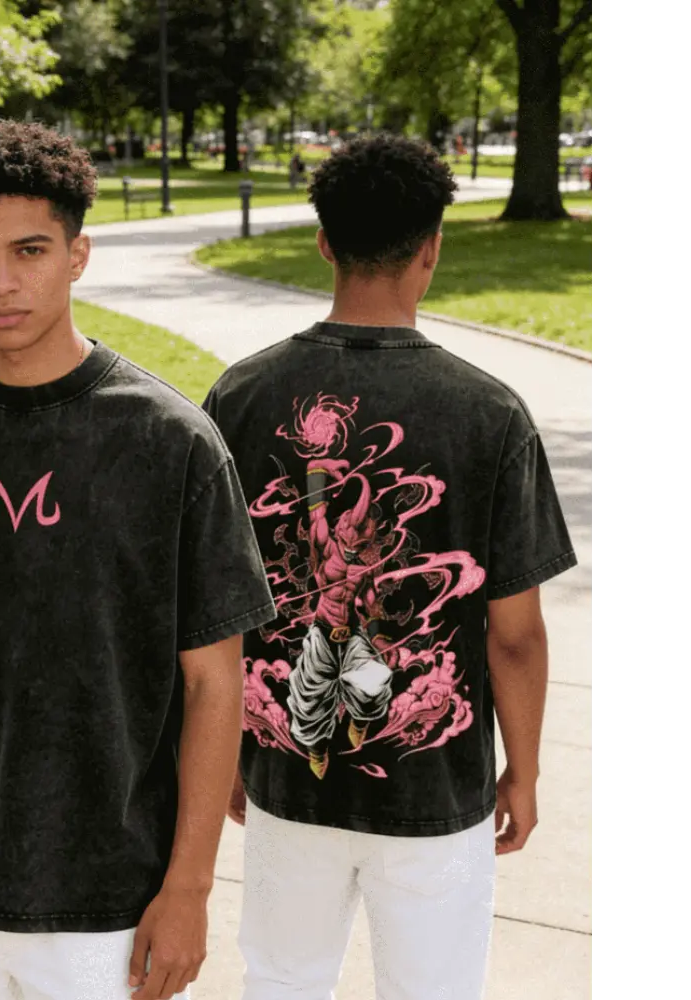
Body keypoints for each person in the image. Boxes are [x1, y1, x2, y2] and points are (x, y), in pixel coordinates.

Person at [0, 119, 277, 1000]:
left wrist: (188, 889)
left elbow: (214, 683)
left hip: (107, 895)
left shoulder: (172, 443)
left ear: (77, 255)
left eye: (29, 250)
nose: (0, 283)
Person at [202, 133, 577, 1000]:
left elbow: (209, 615)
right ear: (432, 249)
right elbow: (515, 637)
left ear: (323, 242)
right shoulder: (491, 414)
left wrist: (226, 751)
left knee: (283, 980)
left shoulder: (240, 396)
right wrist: (523, 770)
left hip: (284, 777)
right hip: (436, 797)